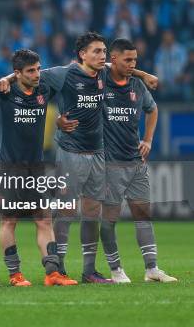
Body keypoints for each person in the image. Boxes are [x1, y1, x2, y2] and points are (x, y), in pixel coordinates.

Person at [0, 31, 157, 283]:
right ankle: (58, 269)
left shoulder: (103, 72)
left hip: (97, 153)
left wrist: (143, 74)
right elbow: (30, 74)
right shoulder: (65, 73)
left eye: (104, 51)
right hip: (70, 152)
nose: (102, 56)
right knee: (66, 211)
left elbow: (118, 65)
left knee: (91, 211)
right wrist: (6, 78)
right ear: (82, 54)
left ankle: (89, 270)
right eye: (96, 51)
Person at [59, 38, 177, 283]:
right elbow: (84, 67)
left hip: (135, 162)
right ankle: (115, 268)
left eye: (135, 60)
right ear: (113, 59)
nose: (133, 64)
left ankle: (152, 269)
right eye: (128, 59)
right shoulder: (99, 81)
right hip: (109, 163)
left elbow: (152, 110)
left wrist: (148, 139)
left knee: (143, 214)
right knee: (109, 218)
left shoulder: (137, 85)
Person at [0, 49, 78, 287]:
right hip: (7, 167)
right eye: (31, 71)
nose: (37, 74)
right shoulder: (2, 92)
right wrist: (5, 81)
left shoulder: (44, 89)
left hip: (36, 168)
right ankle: (15, 275)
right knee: (9, 221)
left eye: (38, 69)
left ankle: (52, 273)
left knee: (44, 220)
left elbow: (73, 65)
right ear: (18, 73)